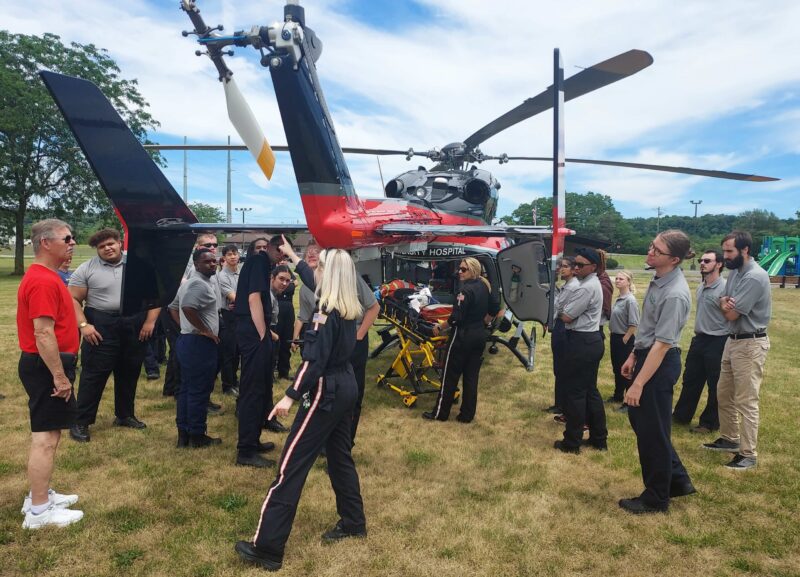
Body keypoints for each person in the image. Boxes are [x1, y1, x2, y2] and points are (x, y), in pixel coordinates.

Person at [235, 248, 367, 571]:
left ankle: (266, 547)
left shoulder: (325, 310)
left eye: (317, 266)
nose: (312, 271)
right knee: (340, 458)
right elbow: (312, 281)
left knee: (290, 467)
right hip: (346, 385)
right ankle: (353, 521)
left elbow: (313, 362)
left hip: (325, 391)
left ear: (329, 273)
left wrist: (290, 396)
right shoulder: (348, 307)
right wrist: (293, 256)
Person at [619, 230, 695, 514]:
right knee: (648, 427)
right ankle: (677, 480)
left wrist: (638, 384)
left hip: (658, 364)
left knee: (652, 433)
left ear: (674, 259)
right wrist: (632, 355)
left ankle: (656, 497)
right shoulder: (659, 279)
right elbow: (649, 330)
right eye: (652, 246)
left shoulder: (675, 294)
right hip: (645, 356)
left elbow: (662, 344)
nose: (650, 252)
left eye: (657, 250)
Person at [280, 237, 379, 444]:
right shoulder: (323, 282)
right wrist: (290, 254)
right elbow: (308, 275)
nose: (312, 254)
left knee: (350, 396)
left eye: (318, 252)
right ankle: (334, 442)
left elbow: (374, 307)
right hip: (337, 348)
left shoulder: (349, 280)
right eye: (310, 251)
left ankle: (344, 440)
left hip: (351, 345)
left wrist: (358, 336)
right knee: (330, 392)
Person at [18, 219, 83, 529]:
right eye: (66, 238)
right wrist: (59, 376)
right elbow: (43, 332)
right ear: (46, 243)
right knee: (45, 438)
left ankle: (39, 495)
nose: (72, 243)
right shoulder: (43, 280)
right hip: (45, 366)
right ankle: (39, 512)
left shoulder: (48, 276)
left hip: (47, 364)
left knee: (50, 434)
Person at [68, 228, 158, 443]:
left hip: (134, 322)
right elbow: (72, 300)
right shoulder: (86, 269)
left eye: (111, 243)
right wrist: (83, 325)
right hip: (101, 325)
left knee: (130, 371)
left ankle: (125, 415)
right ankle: (81, 421)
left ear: (120, 243)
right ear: (97, 250)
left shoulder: (139, 266)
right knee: (94, 375)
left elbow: (154, 296)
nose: (107, 248)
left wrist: (150, 321)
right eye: (101, 246)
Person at [703, 231, 771, 470]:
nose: (726, 256)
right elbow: (723, 300)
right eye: (724, 251)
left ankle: (748, 454)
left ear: (745, 250)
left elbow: (730, 312)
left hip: (750, 343)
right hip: (732, 340)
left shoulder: (754, 277)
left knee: (746, 400)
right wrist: (724, 302)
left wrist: (725, 304)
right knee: (724, 393)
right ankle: (730, 439)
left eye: (730, 251)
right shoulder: (734, 272)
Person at [423, 257, 493, 423]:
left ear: (473, 270)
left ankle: (440, 413)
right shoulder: (485, 286)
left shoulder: (464, 292)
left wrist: (440, 327)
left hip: (462, 336)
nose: (459, 272)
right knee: (471, 377)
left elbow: (456, 318)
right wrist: (483, 322)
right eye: (459, 269)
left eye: (463, 269)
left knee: (449, 376)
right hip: (479, 335)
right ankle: (467, 415)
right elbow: (494, 308)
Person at [171, 248, 228, 448]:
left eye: (214, 261)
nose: (213, 264)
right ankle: (196, 434)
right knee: (199, 391)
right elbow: (186, 307)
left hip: (188, 340)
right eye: (207, 262)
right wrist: (203, 330)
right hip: (199, 344)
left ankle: (184, 434)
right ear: (196, 264)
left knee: (187, 389)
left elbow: (173, 307)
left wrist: (185, 328)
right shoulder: (198, 285)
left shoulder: (191, 283)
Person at [552, 248, 607, 453]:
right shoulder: (590, 284)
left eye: (580, 265)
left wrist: (560, 311)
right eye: (574, 264)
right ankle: (599, 438)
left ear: (593, 266)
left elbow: (566, 316)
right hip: (590, 340)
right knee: (590, 391)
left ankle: (572, 442)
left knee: (575, 393)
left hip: (582, 341)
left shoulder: (586, 287)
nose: (575, 268)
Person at [234, 237, 279, 468]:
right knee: (252, 390)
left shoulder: (259, 263)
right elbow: (254, 299)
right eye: (279, 250)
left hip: (252, 331)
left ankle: (253, 440)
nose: (282, 256)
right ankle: (246, 451)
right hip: (253, 333)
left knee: (260, 387)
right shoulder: (260, 262)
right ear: (271, 248)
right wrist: (263, 333)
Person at [672, 250, 728, 433]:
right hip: (700, 339)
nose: (702, 263)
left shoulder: (726, 288)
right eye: (701, 260)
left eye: (707, 260)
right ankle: (681, 416)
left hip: (718, 340)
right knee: (691, 379)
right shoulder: (701, 287)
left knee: (715, 384)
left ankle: (709, 423)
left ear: (719, 264)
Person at [546, 257, 577, 417]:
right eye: (560, 266)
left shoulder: (573, 288)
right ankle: (559, 403)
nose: (561, 269)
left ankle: (563, 405)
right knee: (558, 367)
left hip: (564, 328)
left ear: (573, 269)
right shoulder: (566, 286)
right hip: (559, 327)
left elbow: (561, 309)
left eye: (565, 266)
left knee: (563, 367)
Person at [608, 270, 639, 412]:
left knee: (626, 370)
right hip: (615, 337)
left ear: (628, 282)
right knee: (616, 368)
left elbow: (634, 324)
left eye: (621, 279)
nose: (617, 280)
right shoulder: (619, 298)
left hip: (624, 339)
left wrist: (625, 339)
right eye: (617, 278)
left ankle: (628, 402)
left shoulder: (630, 300)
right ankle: (617, 395)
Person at [217, 244, 241, 397]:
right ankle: (227, 385)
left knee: (238, 351)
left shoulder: (241, 272)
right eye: (229, 254)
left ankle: (234, 380)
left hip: (240, 315)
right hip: (227, 316)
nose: (233, 256)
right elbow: (233, 297)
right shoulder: (222, 276)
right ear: (224, 258)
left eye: (235, 253)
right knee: (228, 352)